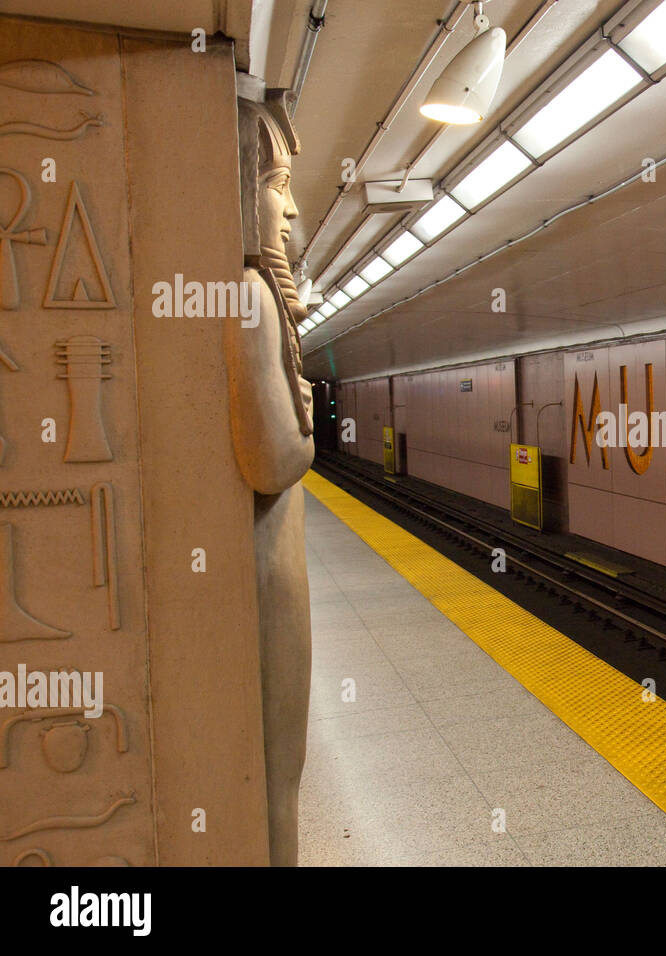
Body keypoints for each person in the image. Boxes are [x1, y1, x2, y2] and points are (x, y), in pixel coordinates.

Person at [226, 89, 314, 866]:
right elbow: (273, 459)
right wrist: (309, 432)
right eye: (279, 188)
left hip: (272, 561)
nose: (288, 213)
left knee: (283, 765)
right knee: (278, 769)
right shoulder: (249, 299)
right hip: (270, 576)